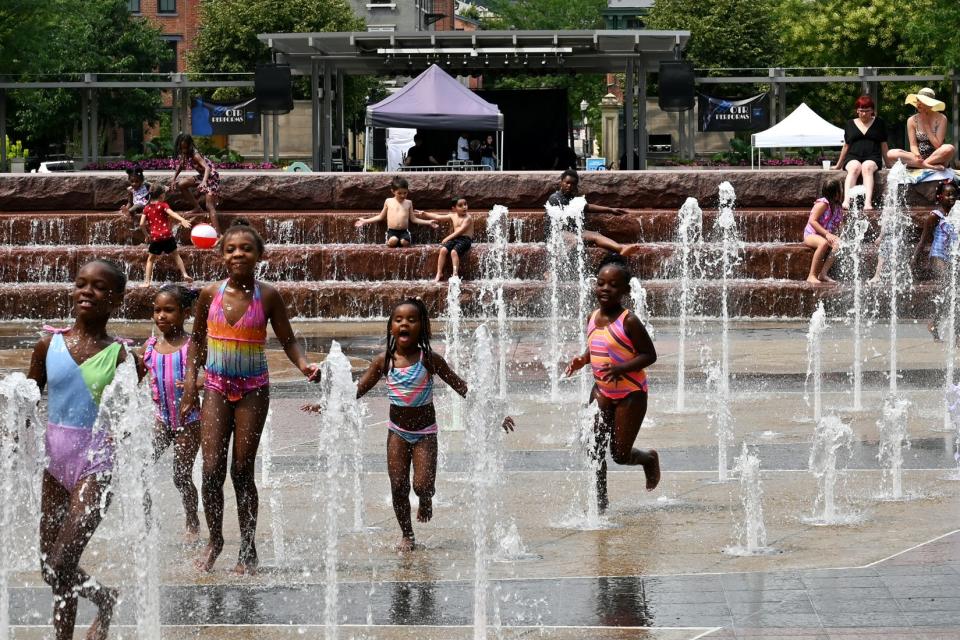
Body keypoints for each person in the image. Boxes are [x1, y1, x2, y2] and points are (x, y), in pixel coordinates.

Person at [302, 298, 514, 551]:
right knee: (398, 485)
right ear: (391, 326)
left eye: (411, 320)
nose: (404, 324)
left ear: (422, 327)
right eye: (398, 319)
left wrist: (495, 414)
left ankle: (426, 499)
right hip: (397, 434)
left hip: (425, 434)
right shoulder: (384, 361)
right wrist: (327, 405)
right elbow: (356, 391)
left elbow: (464, 388)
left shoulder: (430, 360)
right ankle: (407, 534)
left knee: (422, 484)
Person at [179, 219, 320, 574]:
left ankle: (248, 547)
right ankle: (215, 540)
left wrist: (303, 365)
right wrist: (188, 385)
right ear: (220, 255)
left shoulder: (268, 295)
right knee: (210, 471)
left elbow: (288, 339)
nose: (238, 253)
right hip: (214, 387)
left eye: (246, 248)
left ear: (259, 255)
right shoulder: (210, 294)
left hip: (253, 390)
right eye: (231, 249)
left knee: (241, 471)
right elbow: (196, 340)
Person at [26, 259, 141, 640]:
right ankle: (104, 598)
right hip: (54, 463)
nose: (87, 292)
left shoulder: (123, 357)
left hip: (96, 464)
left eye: (99, 287)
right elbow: (28, 401)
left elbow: (130, 418)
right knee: (50, 567)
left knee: (62, 561)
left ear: (116, 299)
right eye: (81, 284)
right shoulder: (48, 345)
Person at [564, 254, 660, 513]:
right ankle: (600, 501)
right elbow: (597, 346)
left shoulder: (629, 321)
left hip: (631, 394)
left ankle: (648, 459)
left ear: (625, 291)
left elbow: (649, 355)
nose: (605, 289)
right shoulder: (591, 317)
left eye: (613, 285)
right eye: (601, 283)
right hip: (602, 391)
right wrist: (582, 360)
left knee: (619, 454)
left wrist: (621, 368)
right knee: (594, 446)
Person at [142, 284, 203, 542]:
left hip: (189, 421)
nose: (161, 316)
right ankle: (146, 521)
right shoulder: (151, 345)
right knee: (140, 467)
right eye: (157, 310)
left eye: (169, 310)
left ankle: (192, 519)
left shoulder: (193, 345)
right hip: (161, 419)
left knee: (180, 475)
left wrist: (195, 383)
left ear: (185, 313)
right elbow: (135, 376)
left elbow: (215, 373)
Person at [546, 169, 641, 256]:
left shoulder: (571, 198)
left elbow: (587, 206)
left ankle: (621, 249)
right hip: (558, 233)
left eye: (573, 184)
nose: (569, 186)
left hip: (572, 231)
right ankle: (552, 270)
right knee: (574, 241)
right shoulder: (555, 198)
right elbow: (581, 208)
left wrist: (610, 209)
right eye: (567, 183)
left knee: (596, 235)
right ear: (561, 183)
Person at [913, 179, 958, 340]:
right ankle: (957, 335)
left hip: (952, 257)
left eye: (954, 194)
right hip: (938, 257)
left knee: (951, 294)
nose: (952, 198)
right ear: (940, 197)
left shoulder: (957, 214)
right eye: (948, 195)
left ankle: (934, 322)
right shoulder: (935, 216)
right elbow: (924, 240)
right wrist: (915, 259)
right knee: (952, 290)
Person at [832, 96, 889, 210]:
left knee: (867, 167)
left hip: (872, 156)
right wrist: (838, 165)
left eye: (866, 111)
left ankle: (867, 202)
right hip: (853, 156)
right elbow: (846, 145)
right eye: (861, 110)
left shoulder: (879, 123)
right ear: (857, 110)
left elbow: (883, 144)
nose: (863, 114)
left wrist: (888, 163)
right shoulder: (849, 124)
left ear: (872, 110)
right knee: (854, 168)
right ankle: (846, 200)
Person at [354, 176, 438, 247]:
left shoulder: (409, 203)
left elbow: (413, 219)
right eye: (399, 193)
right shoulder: (388, 201)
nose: (403, 195)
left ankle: (402, 240)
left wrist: (428, 222)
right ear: (393, 191)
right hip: (392, 231)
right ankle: (389, 240)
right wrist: (365, 221)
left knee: (404, 242)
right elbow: (380, 216)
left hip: (404, 231)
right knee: (393, 240)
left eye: (405, 193)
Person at [887, 88, 956, 171]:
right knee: (890, 153)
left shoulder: (941, 118)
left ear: (930, 104)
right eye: (917, 100)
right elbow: (913, 145)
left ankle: (923, 165)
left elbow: (938, 145)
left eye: (922, 101)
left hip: (937, 157)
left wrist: (926, 124)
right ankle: (928, 166)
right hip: (918, 157)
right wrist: (917, 155)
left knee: (949, 148)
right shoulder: (912, 120)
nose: (918, 104)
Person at [139, 184, 193, 286]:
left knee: (150, 259)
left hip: (156, 238)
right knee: (176, 255)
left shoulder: (146, 208)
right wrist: (182, 220)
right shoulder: (163, 205)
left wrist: (146, 235)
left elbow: (141, 224)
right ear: (161, 196)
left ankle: (147, 282)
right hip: (167, 236)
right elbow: (172, 213)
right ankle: (185, 274)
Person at [170, 132, 221, 233]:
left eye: (185, 147)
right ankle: (197, 207)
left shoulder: (195, 154)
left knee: (209, 206)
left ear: (189, 145)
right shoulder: (185, 154)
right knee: (181, 184)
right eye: (182, 148)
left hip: (211, 178)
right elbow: (180, 166)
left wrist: (204, 182)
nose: (184, 150)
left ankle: (219, 234)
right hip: (202, 177)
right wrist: (173, 179)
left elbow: (207, 168)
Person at [418, 196, 475, 282]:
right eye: (460, 205)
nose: (464, 207)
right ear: (454, 208)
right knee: (443, 250)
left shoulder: (468, 218)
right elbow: (438, 217)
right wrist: (425, 214)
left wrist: (447, 238)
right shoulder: (453, 216)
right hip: (456, 238)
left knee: (453, 252)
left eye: (465, 204)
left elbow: (460, 231)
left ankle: (455, 274)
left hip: (465, 239)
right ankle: (439, 273)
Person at [802, 177, 845, 284]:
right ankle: (811, 275)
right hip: (811, 234)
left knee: (839, 244)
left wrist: (841, 235)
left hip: (825, 235)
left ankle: (823, 273)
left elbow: (839, 224)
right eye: (841, 189)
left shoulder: (837, 206)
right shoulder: (822, 204)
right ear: (836, 193)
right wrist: (827, 234)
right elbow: (813, 221)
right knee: (823, 243)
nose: (843, 191)